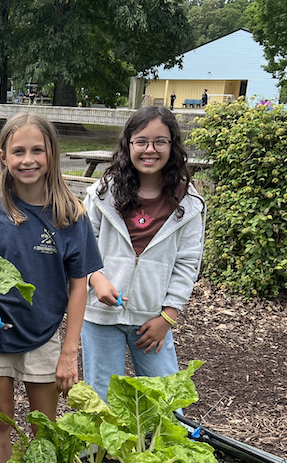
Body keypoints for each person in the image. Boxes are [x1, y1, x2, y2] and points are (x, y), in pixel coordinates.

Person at [0, 113, 103, 463]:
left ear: (52, 155)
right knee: (1, 423)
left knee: (44, 428)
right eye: (18, 151)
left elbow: (79, 286)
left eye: (37, 151)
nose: (28, 160)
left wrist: (69, 352)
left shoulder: (71, 215)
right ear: (3, 157)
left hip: (43, 338)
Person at [81, 105, 205, 400]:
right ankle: (104, 451)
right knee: (102, 402)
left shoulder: (189, 203)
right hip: (100, 317)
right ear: (128, 145)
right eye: (141, 141)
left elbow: (188, 264)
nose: (150, 150)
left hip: (153, 319)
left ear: (173, 146)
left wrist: (169, 317)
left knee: (167, 402)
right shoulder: (101, 195)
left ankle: (163, 448)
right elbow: (81, 249)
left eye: (160, 141)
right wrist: (96, 280)